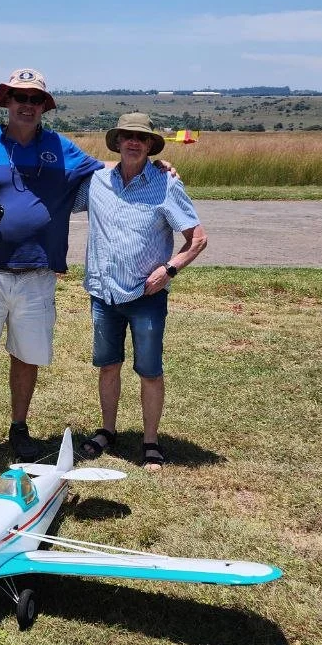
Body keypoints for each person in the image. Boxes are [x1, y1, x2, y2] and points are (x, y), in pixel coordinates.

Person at [0, 68, 104, 462]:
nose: (27, 105)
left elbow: (110, 177)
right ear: (6, 102)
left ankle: (19, 429)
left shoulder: (63, 149)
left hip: (38, 272)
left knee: (27, 354)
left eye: (35, 99)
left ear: (44, 106)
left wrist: (154, 167)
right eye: (19, 97)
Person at [73, 113, 207, 470]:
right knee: (108, 365)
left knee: (149, 370)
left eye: (141, 138)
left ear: (149, 145)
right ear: (117, 142)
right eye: (127, 136)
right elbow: (63, 199)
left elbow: (198, 239)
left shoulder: (166, 184)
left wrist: (169, 269)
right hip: (103, 293)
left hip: (146, 296)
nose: (133, 142)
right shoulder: (97, 182)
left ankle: (150, 441)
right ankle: (107, 430)